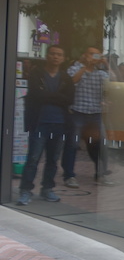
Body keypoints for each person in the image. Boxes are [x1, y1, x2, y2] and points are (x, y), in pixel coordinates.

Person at [18, 45, 74, 205]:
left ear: (63, 58)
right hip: (39, 123)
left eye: (59, 54)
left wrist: (47, 96)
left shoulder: (65, 78)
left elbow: (69, 99)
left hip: (60, 124)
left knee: (53, 160)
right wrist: (57, 97)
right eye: (53, 54)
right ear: (47, 56)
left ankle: (47, 189)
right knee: (33, 158)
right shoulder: (37, 74)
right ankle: (25, 190)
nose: (55, 57)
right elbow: (35, 95)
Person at [61, 46, 112, 188]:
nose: (93, 58)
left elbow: (113, 82)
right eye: (91, 54)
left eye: (97, 56)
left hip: (95, 113)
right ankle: (69, 176)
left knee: (100, 146)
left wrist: (106, 64)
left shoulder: (100, 73)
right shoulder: (75, 68)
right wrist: (85, 66)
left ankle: (101, 174)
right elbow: (71, 82)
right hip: (77, 112)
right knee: (72, 145)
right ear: (84, 55)